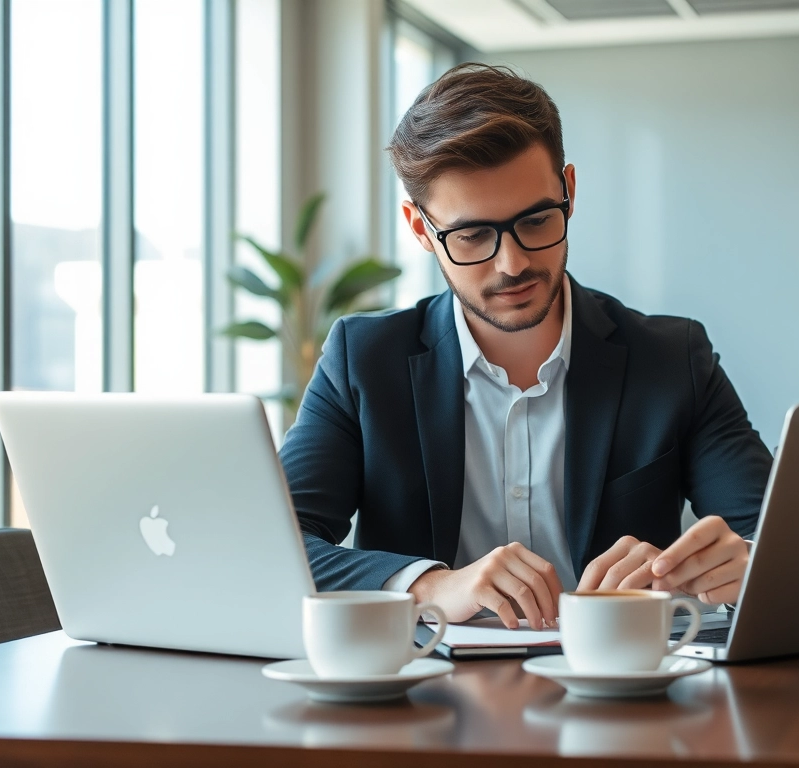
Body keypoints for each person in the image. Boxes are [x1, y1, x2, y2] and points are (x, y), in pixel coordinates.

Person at [279, 63, 772, 631]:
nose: (512, 264)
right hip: (424, 697)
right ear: (420, 229)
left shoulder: (673, 357)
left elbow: (774, 538)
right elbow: (280, 544)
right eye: (472, 236)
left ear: (569, 191)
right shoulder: (363, 361)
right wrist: (435, 584)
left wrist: (746, 565)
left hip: (623, 694)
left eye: (537, 220)